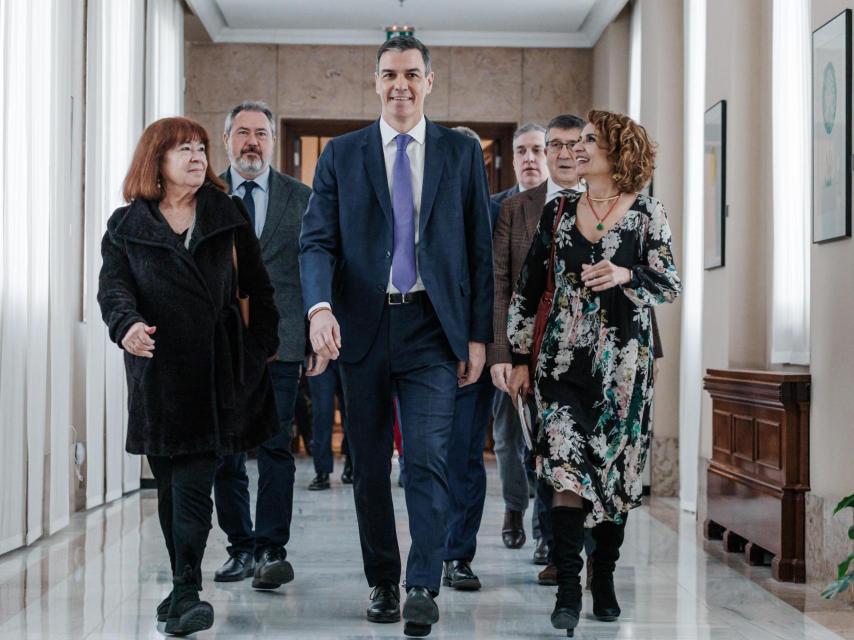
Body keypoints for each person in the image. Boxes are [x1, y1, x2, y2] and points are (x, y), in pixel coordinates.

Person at [299, 35, 493, 637]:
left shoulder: (460, 155)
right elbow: (317, 241)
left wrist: (479, 337)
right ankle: (383, 580)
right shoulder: (343, 155)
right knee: (367, 463)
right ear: (376, 81)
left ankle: (421, 583)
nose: (400, 85)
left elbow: (479, 251)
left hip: (433, 329)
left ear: (430, 81)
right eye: (389, 74)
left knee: (429, 458)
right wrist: (319, 309)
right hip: (361, 326)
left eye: (412, 73)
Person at [97, 117, 281, 636]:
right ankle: (181, 585)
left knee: (197, 479)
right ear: (156, 160)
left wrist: (256, 350)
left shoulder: (227, 213)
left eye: (202, 148)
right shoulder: (126, 225)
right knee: (171, 483)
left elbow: (260, 291)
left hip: (214, 369)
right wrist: (126, 326)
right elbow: (113, 289)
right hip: (156, 372)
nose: (199, 157)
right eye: (185, 149)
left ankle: (188, 591)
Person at [507, 110, 681, 636]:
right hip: (561, 364)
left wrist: (628, 273)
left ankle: (601, 577)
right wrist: (518, 358)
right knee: (563, 468)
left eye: (589, 141)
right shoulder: (558, 211)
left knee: (615, 476)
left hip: (624, 369)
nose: (577, 149)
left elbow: (670, 282)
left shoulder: (649, 213)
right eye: (577, 140)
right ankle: (566, 590)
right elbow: (528, 283)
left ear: (618, 151)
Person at [213, 101, 325, 591]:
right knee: (225, 453)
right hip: (218, 346)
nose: (251, 141)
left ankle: (270, 550)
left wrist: (316, 331)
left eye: (260, 132)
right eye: (242, 132)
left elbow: (316, 268)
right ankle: (240, 547)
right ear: (227, 140)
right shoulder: (205, 195)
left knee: (276, 447)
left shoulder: (301, 197)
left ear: (273, 141)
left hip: (282, 343)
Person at [489, 116, 580, 560]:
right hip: (519, 347)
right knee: (511, 439)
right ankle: (513, 508)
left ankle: (549, 534)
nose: (531, 158)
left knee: (554, 444)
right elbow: (499, 281)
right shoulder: (508, 208)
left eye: (537, 149)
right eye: (521, 151)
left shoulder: (590, 200)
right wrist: (500, 351)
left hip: (575, 349)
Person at [439, 125, 494, 592]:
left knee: (464, 457)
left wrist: (484, 345)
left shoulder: (493, 213)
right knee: (424, 458)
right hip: (422, 350)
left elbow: (496, 287)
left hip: (471, 355)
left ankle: (458, 554)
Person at [489, 122, 548, 226]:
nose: (529, 159)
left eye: (537, 150)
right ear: (514, 162)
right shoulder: (491, 206)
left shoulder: (572, 205)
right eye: (521, 151)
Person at [307, 359, 352, 489]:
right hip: (317, 351)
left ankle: (352, 462)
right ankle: (322, 470)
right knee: (321, 413)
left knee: (352, 411)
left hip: (350, 350)